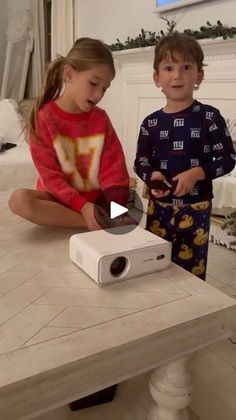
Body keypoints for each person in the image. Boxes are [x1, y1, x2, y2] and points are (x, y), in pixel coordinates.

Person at [134, 32, 235, 280]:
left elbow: (228, 159)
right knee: (156, 265)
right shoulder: (151, 123)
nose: (177, 75)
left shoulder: (210, 117)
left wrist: (197, 173)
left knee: (193, 270)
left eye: (186, 67)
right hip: (159, 209)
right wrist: (152, 175)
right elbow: (141, 161)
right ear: (157, 78)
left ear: (198, 75)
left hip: (197, 208)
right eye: (169, 68)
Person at [8, 37, 130, 231]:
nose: (99, 95)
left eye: (104, 89)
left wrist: (116, 208)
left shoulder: (101, 119)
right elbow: (50, 177)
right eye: (93, 83)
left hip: (97, 201)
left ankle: (101, 219)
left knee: (123, 201)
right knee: (19, 201)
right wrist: (83, 207)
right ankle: (97, 223)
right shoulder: (44, 117)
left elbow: (114, 170)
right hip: (60, 199)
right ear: (68, 74)